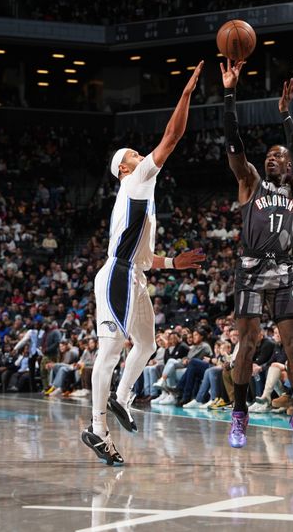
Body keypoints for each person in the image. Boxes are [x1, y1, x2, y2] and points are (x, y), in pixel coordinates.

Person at [82, 61, 207, 467]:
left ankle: (121, 397)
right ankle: (97, 429)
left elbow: (147, 259)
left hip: (132, 274)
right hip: (117, 275)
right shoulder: (136, 182)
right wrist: (186, 95)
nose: (142, 156)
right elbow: (172, 137)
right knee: (111, 351)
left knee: (148, 344)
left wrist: (173, 261)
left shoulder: (141, 199)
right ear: (123, 167)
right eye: (134, 154)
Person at [221, 58, 293, 451]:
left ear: (288, 165)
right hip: (250, 268)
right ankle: (240, 414)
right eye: (269, 156)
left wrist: (285, 116)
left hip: (284, 271)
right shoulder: (249, 183)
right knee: (247, 343)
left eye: (278, 156)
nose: (271, 158)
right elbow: (233, 143)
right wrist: (230, 94)